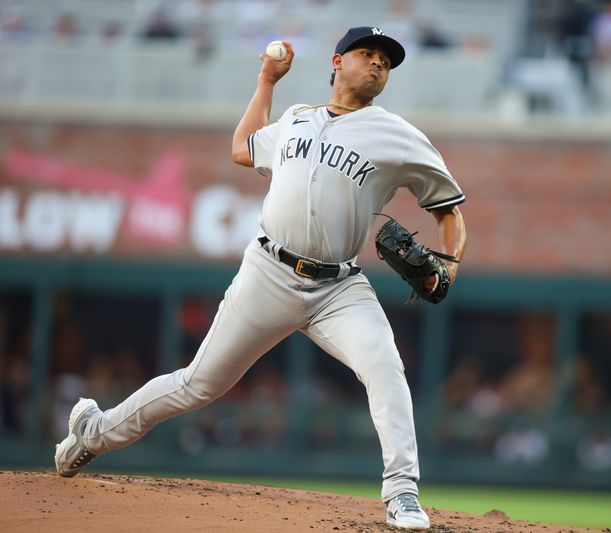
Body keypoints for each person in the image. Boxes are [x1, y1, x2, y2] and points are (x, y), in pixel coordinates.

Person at [54, 26, 467, 531]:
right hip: (268, 271)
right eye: (367, 53)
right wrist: (267, 80)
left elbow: (449, 210)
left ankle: (402, 493)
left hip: (339, 288)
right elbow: (244, 147)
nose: (379, 63)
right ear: (337, 62)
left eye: (386, 59)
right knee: (197, 384)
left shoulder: (398, 136)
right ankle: (92, 432)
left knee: (385, 367)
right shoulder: (296, 120)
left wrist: (448, 265)